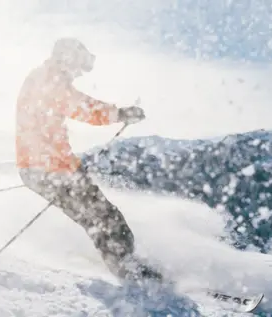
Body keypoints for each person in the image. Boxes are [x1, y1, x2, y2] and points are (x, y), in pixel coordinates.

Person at [15, 37, 162, 282]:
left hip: (47, 168)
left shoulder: (44, 78)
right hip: (52, 169)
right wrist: (120, 113)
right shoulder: (50, 81)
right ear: (67, 59)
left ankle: (123, 263)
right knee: (105, 218)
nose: (79, 73)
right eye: (79, 66)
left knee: (98, 217)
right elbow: (82, 107)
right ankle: (127, 268)